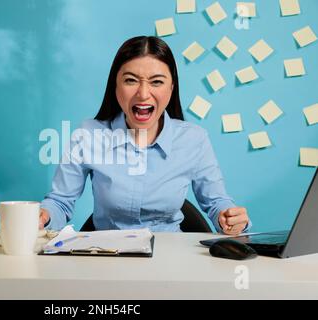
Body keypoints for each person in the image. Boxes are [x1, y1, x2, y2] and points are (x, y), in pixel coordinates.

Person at [39, 36, 251, 235]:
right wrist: (44, 216)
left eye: (156, 82)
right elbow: (60, 202)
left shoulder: (194, 139)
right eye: (131, 80)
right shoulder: (87, 135)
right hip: (107, 258)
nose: (142, 93)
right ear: (115, 86)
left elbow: (217, 203)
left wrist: (229, 218)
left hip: (170, 259)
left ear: (171, 87)